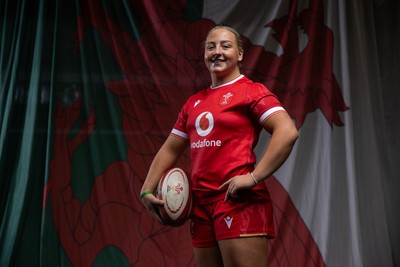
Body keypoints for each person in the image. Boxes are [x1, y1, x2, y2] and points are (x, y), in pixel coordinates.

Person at [140, 25, 298, 267]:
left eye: (226, 46)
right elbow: (171, 148)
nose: (217, 52)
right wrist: (147, 190)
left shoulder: (250, 91)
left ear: (240, 54)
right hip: (201, 207)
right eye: (210, 47)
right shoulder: (194, 103)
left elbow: (286, 132)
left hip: (237, 202)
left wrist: (253, 178)